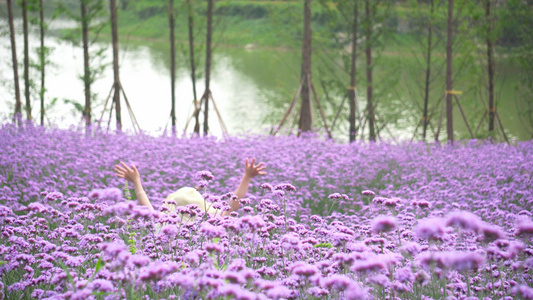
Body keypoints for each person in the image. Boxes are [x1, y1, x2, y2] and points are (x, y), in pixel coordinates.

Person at [113, 158, 266, 219]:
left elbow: (146, 207)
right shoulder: (208, 228)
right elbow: (231, 207)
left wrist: (136, 182)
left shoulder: (162, 228)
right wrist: (247, 177)